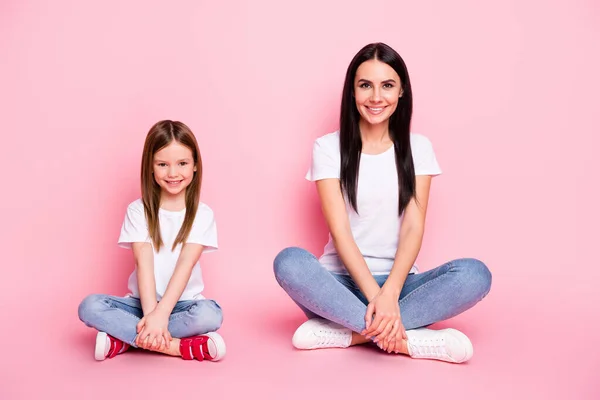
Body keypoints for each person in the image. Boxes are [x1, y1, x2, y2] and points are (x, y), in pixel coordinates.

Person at [273, 43, 492, 363]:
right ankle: (407, 340)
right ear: (352, 91)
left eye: (387, 85)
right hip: (339, 285)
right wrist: (376, 298)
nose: (376, 97)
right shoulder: (328, 147)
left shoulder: (419, 148)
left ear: (402, 91)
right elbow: (341, 231)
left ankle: (351, 334)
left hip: (402, 287)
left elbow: (413, 228)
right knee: (289, 262)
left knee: (475, 275)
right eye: (365, 85)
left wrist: (389, 293)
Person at [78, 120, 225, 362]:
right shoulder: (138, 211)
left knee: (210, 316)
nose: (173, 173)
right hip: (140, 305)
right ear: (151, 167)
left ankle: (124, 338)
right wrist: (151, 315)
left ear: (195, 165)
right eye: (163, 164)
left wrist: (162, 315)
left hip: (182, 305)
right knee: (89, 306)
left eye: (182, 163)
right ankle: (178, 347)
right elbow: (142, 264)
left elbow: (185, 265)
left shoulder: (202, 213)